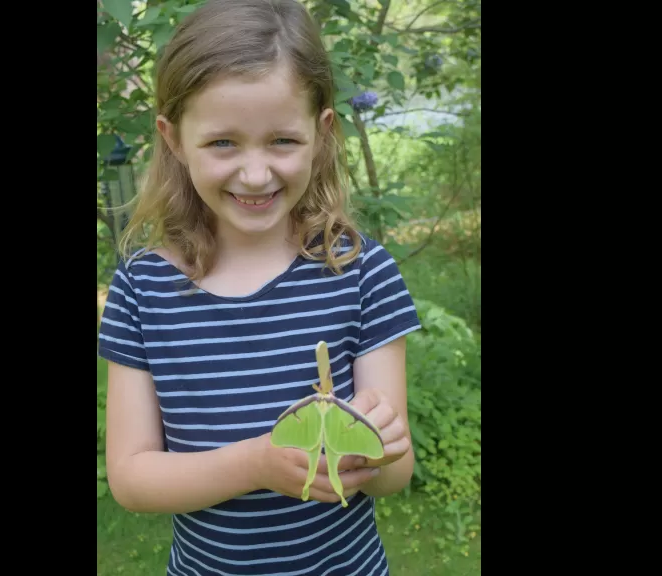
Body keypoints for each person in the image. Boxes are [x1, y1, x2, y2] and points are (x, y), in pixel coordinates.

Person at [98, 0, 422, 573]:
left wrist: (384, 444)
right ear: (173, 140)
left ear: (321, 133)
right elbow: (131, 478)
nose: (255, 173)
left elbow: (392, 478)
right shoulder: (142, 291)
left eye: (282, 141)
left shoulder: (362, 273)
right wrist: (254, 464)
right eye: (223, 143)